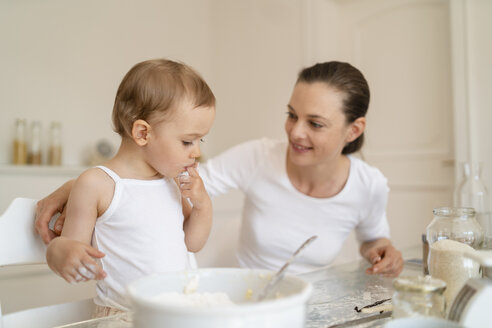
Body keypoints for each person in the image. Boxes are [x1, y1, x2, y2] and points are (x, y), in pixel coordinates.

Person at [36, 61, 403, 277]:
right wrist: (83, 188)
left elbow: (374, 239)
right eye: (291, 115)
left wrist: (382, 251)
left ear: (353, 130)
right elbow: (162, 180)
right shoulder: (259, 157)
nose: (296, 132)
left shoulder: (369, 185)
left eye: (316, 123)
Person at [44, 58, 216, 317]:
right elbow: (67, 244)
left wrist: (202, 205)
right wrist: (60, 252)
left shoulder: (169, 183)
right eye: (188, 141)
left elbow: (192, 242)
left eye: (199, 140)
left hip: (178, 313)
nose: (198, 152)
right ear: (143, 134)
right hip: (124, 316)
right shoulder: (97, 184)